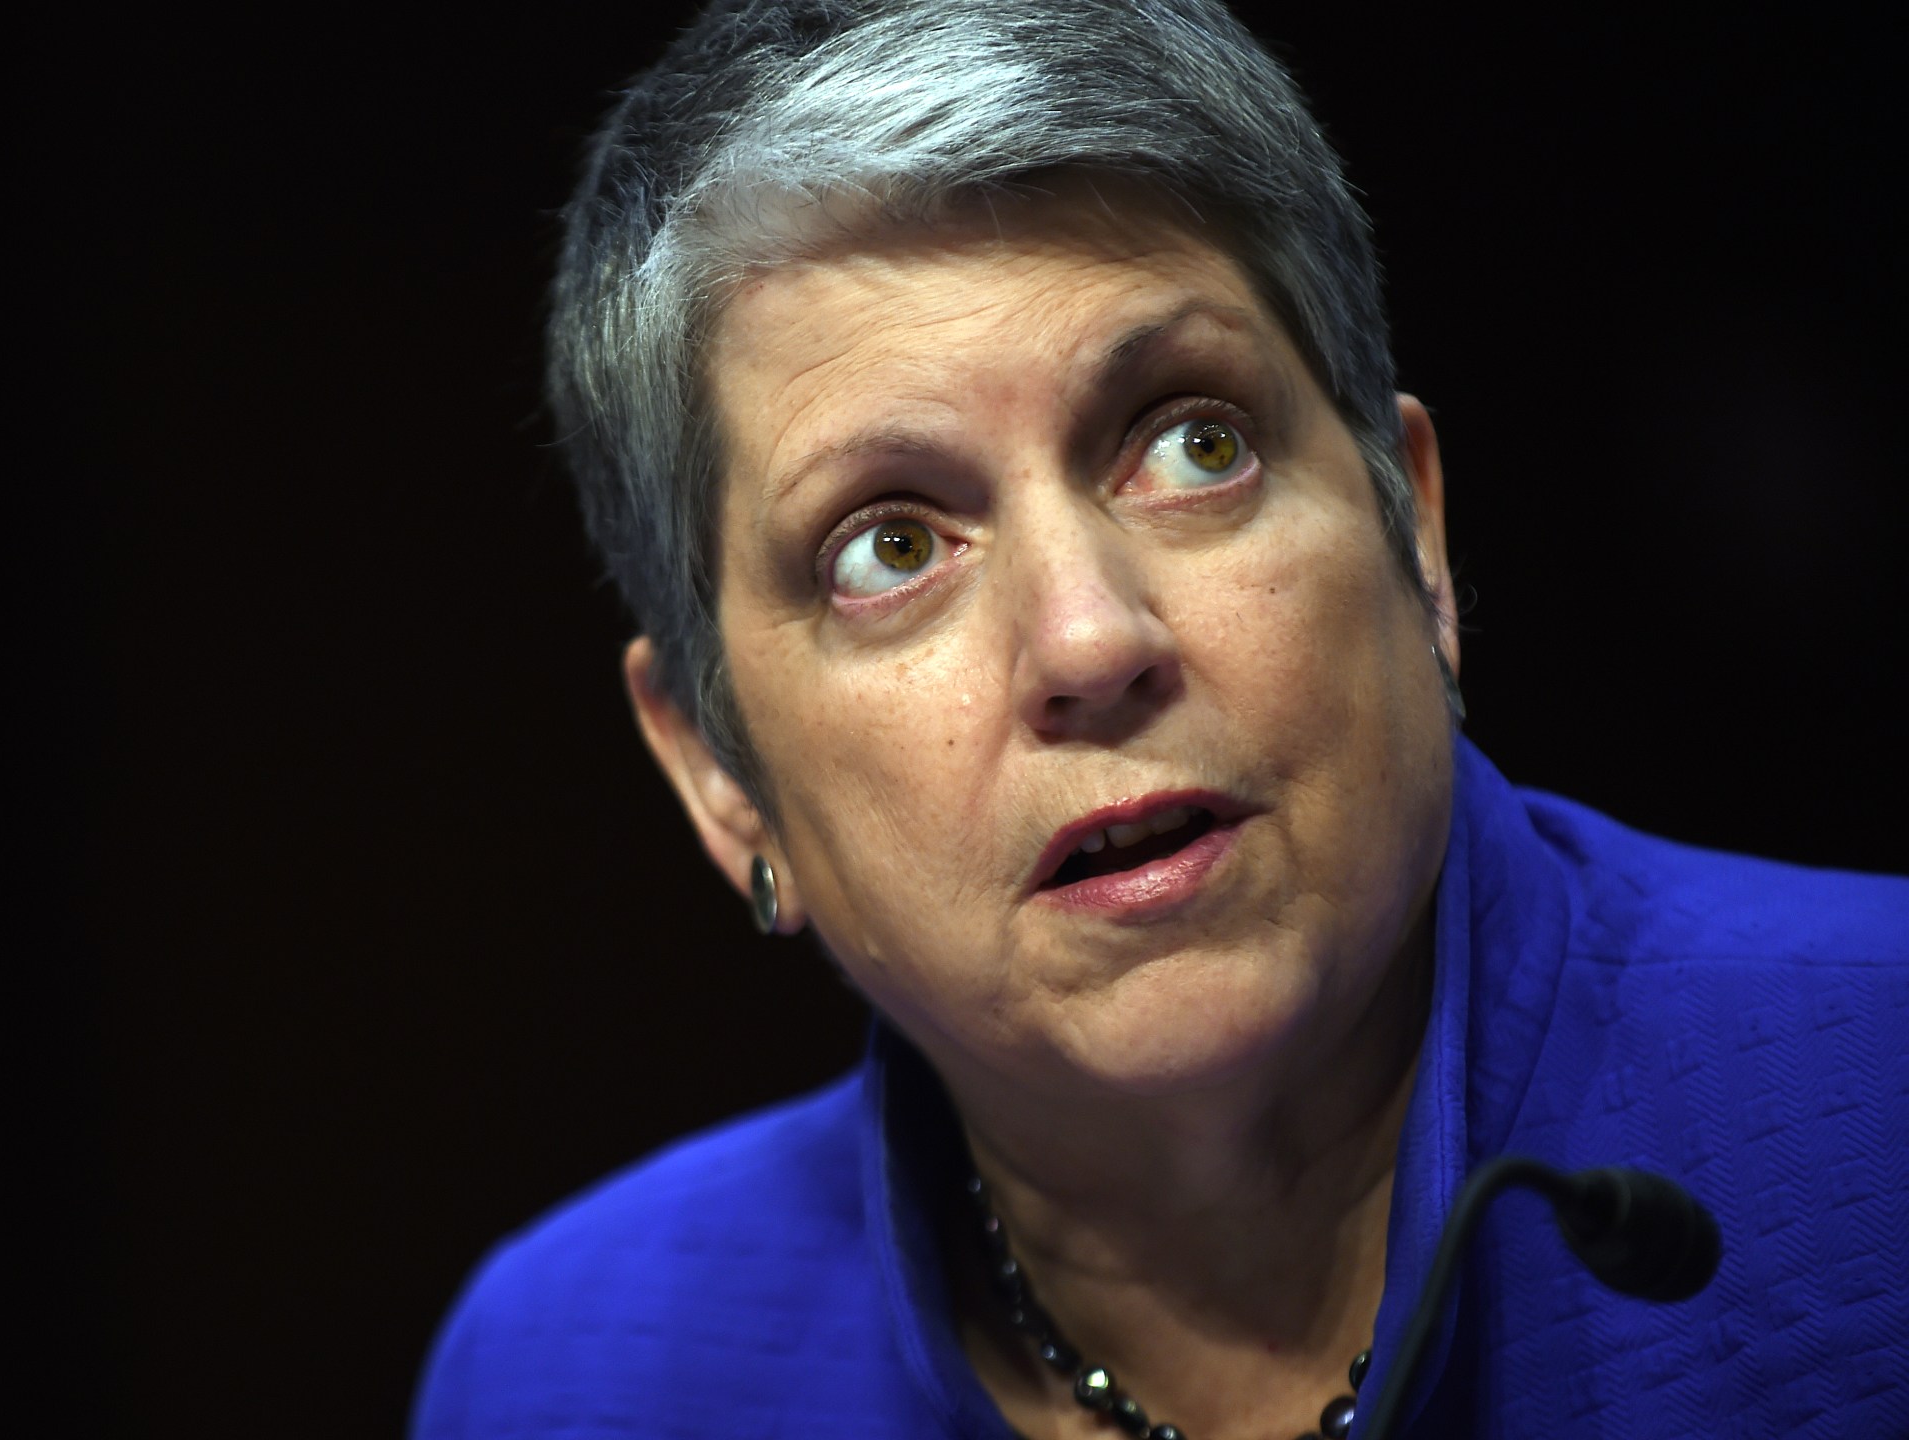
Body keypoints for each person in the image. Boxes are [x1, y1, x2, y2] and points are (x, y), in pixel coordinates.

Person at [414, 2, 1909, 1435]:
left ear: (1419, 538)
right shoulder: (574, 1377)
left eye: (1194, 445)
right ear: (718, 773)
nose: (1090, 641)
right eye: (889, 546)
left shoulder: (1874, 1091)